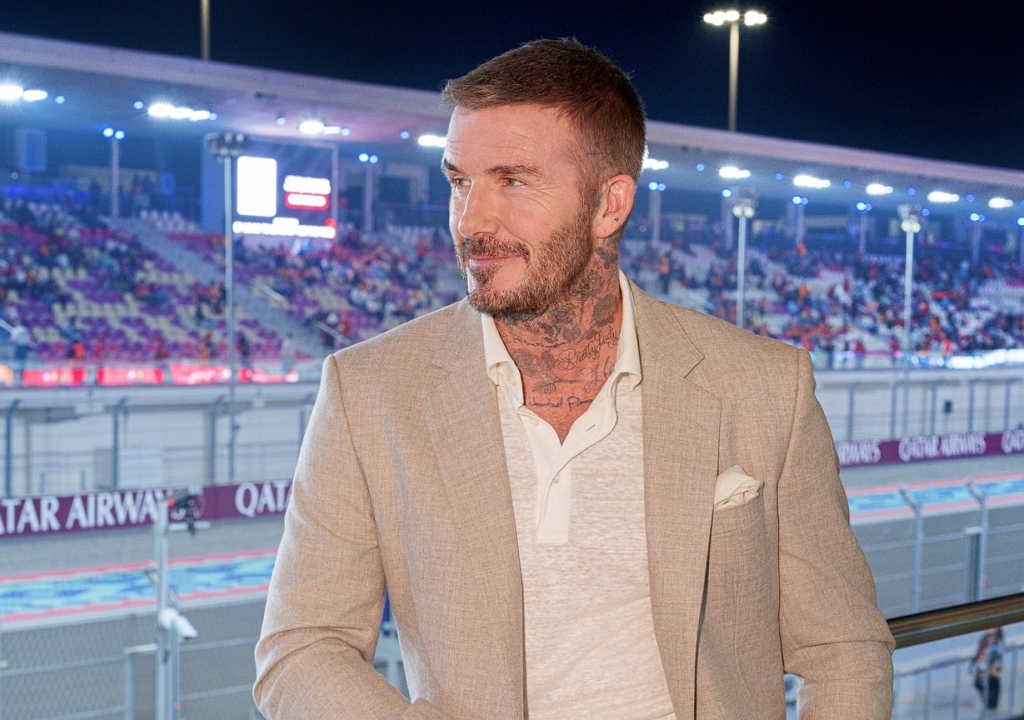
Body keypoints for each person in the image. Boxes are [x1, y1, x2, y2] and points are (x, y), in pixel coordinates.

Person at [255, 39, 893, 720]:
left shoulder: (763, 385)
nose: (471, 221)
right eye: (460, 181)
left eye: (513, 181)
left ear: (609, 204)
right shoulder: (369, 389)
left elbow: (843, 647)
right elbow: (302, 649)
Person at [972, 628, 1005, 712]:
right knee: (990, 706)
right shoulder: (985, 641)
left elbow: (998, 658)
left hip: (992, 677)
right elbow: (980, 659)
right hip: (985, 678)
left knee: (992, 706)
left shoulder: (998, 640)